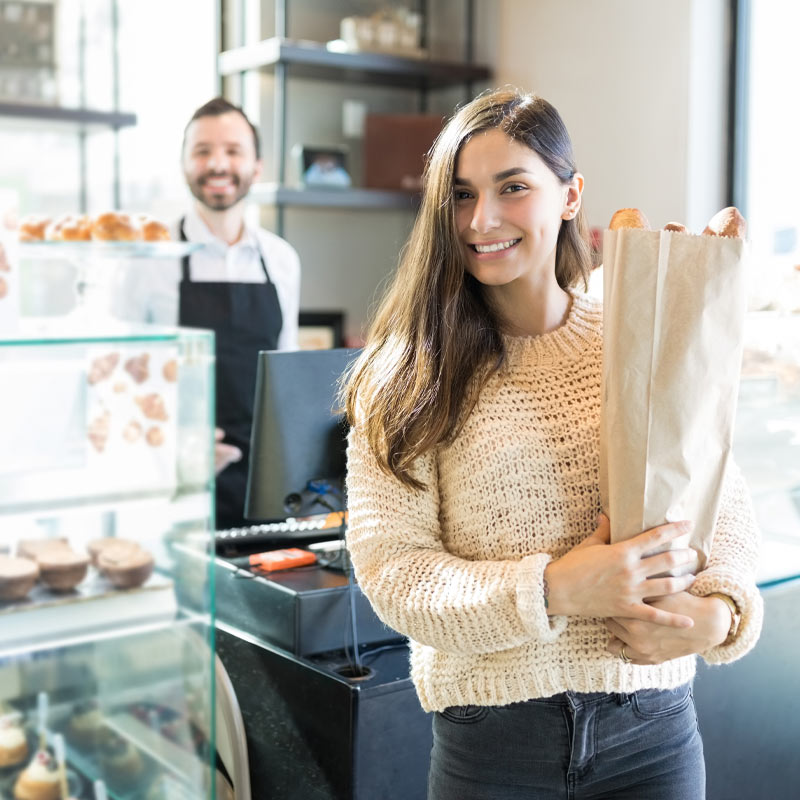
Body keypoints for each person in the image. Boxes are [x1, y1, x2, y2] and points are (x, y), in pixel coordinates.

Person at [342, 88, 763, 799]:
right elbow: (394, 575)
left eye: (514, 188)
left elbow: (726, 511)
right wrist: (558, 587)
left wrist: (718, 616)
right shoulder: (404, 374)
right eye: (462, 195)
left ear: (569, 196)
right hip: (493, 748)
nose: (483, 220)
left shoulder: (638, 340)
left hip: (651, 733)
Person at [117, 97, 300, 529]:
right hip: (175, 485)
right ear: (184, 166)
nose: (218, 163)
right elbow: (119, 378)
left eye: (233, 151)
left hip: (264, 484)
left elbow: (286, 373)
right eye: (203, 151)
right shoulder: (148, 260)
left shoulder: (281, 259)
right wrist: (177, 448)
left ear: (257, 167)